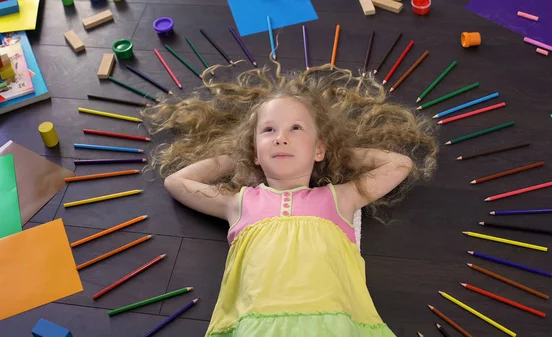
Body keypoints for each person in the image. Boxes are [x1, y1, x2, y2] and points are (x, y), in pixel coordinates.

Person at [142, 61, 438, 336]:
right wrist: (236, 159)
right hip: (258, 326)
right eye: (269, 130)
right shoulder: (240, 203)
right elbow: (177, 182)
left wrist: (339, 154)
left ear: (318, 149)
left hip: (332, 324)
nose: (281, 137)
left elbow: (399, 165)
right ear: (256, 153)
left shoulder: (339, 198)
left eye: (295, 128)